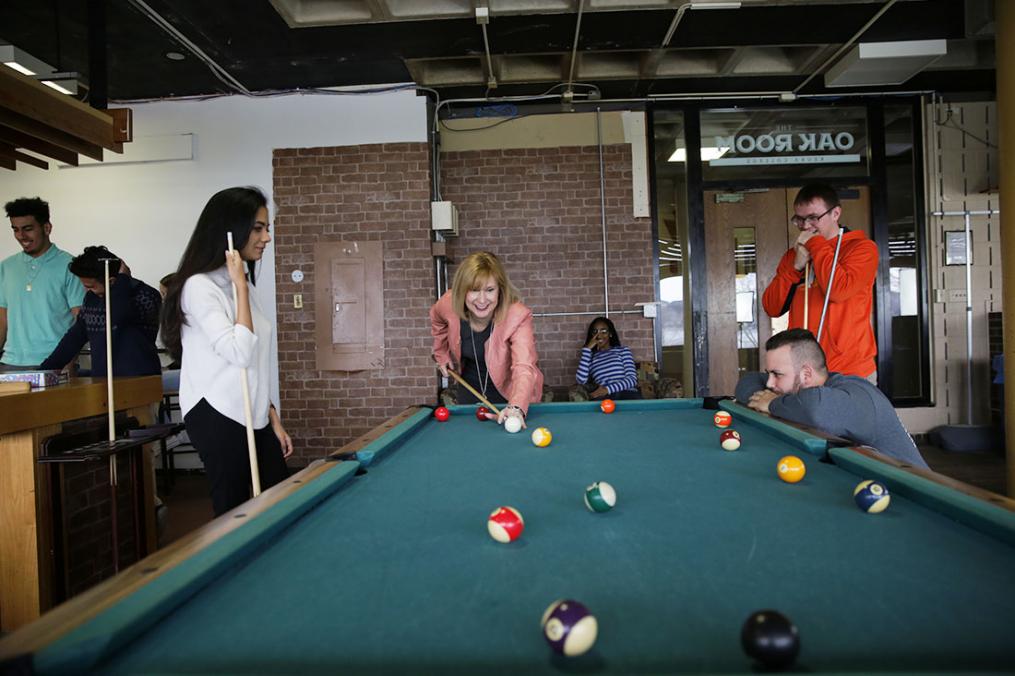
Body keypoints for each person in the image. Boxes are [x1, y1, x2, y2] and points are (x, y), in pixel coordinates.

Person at [160, 187, 292, 515]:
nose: (266, 237)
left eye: (267, 228)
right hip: (217, 412)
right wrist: (240, 287)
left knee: (279, 499)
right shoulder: (199, 286)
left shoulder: (241, 284)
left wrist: (271, 415)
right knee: (232, 511)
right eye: (258, 228)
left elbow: (257, 364)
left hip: (254, 413)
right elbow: (240, 352)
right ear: (231, 230)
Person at [735, 329, 928, 469]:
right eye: (768, 373)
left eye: (777, 374)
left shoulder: (855, 395)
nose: (769, 383)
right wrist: (763, 397)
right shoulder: (814, 386)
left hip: (916, 494)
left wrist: (770, 403)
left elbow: (815, 408)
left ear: (806, 374)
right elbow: (748, 382)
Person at [761, 184, 878, 381]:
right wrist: (795, 268)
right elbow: (772, 307)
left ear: (836, 213)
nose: (806, 226)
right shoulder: (793, 256)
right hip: (804, 371)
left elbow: (838, 291)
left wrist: (815, 245)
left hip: (850, 370)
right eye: (799, 219)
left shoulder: (862, 249)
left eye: (813, 218)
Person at [430, 251, 543, 429]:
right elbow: (436, 319)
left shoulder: (517, 315)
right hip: (469, 387)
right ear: (462, 291)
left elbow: (524, 366)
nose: (482, 300)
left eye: (490, 290)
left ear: (500, 290)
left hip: (511, 392)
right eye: (474, 290)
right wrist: (441, 353)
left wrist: (516, 406)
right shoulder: (448, 304)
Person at [39, 246, 162, 377]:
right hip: (102, 382)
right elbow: (76, 336)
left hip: (140, 383)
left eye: (90, 286)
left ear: (112, 281)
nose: (87, 291)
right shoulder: (92, 298)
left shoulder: (146, 295)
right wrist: (45, 370)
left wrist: (122, 281)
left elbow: (117, 316)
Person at [0, 197, 85, 367]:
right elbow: (2, 320)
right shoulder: (6, 267)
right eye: (15, 230)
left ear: (47, 228)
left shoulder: (71, 266)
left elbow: (81, 322)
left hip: (55, 364)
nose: (21, 236)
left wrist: (68, 363)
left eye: (28, 229)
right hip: (9, 363)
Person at [576, 316, 641, 400]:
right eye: (595, 331)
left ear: (610, 333)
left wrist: (608, 389)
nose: (599, 336)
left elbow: (632, 380)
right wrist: (587, 350)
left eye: (603, 331)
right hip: (605, 397)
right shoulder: (590, 357)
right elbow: (581, 381)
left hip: (627, 393)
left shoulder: (623, 350)